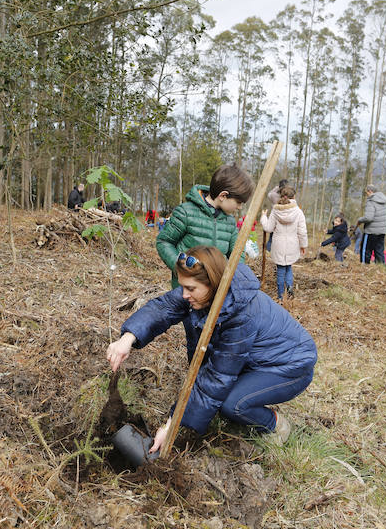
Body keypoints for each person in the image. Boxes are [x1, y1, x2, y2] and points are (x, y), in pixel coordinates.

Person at [105, 246, 317, 451]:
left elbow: (217, 377)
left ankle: (276, 424)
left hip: (291, 365)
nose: (184, 294)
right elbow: (163, 308)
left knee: (232, 404)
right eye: (183, 287)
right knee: (220, 396)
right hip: (257, 358)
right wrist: (128, 338)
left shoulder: (242, 313)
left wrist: (171, 425)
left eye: (190, 289)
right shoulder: (202, 294)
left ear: (212, 283)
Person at [156, 164, 254, 287]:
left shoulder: (230, 222)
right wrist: (180, 268)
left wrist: (233, 277)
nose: (239, 207)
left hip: (214, 290)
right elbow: (164, 241)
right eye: (238, 202)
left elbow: (237, 254)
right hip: (186, 289)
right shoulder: (186, 212)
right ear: (223, 195)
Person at [260, 186, 308, 300]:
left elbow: (268, 228)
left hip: (278, 244)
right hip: (292, 244)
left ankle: (281, 296)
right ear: (294, 197)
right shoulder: (298, 211)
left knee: (280, 270)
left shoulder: (276, 210)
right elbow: (302, 231)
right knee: (288, 268)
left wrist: (263, 217)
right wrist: (303, 245)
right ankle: (290, 289)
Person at [357, 184, 386, 264]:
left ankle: (364, 268)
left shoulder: (371, 201)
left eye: (366, 193)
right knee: (379, 251)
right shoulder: (385, 200)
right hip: (382, 231)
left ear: (370, 191)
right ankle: (381, 269)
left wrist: (360, 220)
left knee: (366, 250)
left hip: (371, 231)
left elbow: (369, 218)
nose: (366, 195)